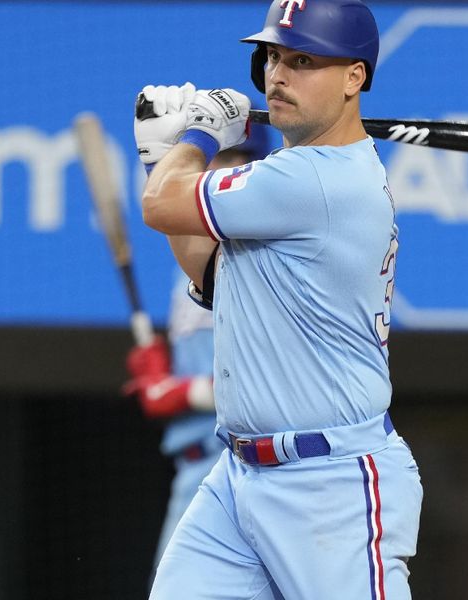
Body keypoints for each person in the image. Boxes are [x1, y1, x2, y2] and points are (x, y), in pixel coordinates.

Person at [132, 1, 423, 598]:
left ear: (354, 77)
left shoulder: (317, 179)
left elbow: (161, 205)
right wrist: (158, 161)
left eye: (304, 60)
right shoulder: (292, 176)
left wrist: (194, 137)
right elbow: (207, 267)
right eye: (272, 56)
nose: (277, 74)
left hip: (331, 487)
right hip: (238, 481)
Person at [124, 126, 272, 577]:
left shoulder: (261, 252)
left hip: (250, 467)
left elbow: (273, 380)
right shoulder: (190, 255)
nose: (221, 172)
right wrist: (165, 367)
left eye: (237, 160)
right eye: (215, 161)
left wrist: (178, 391)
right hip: (196, 469)